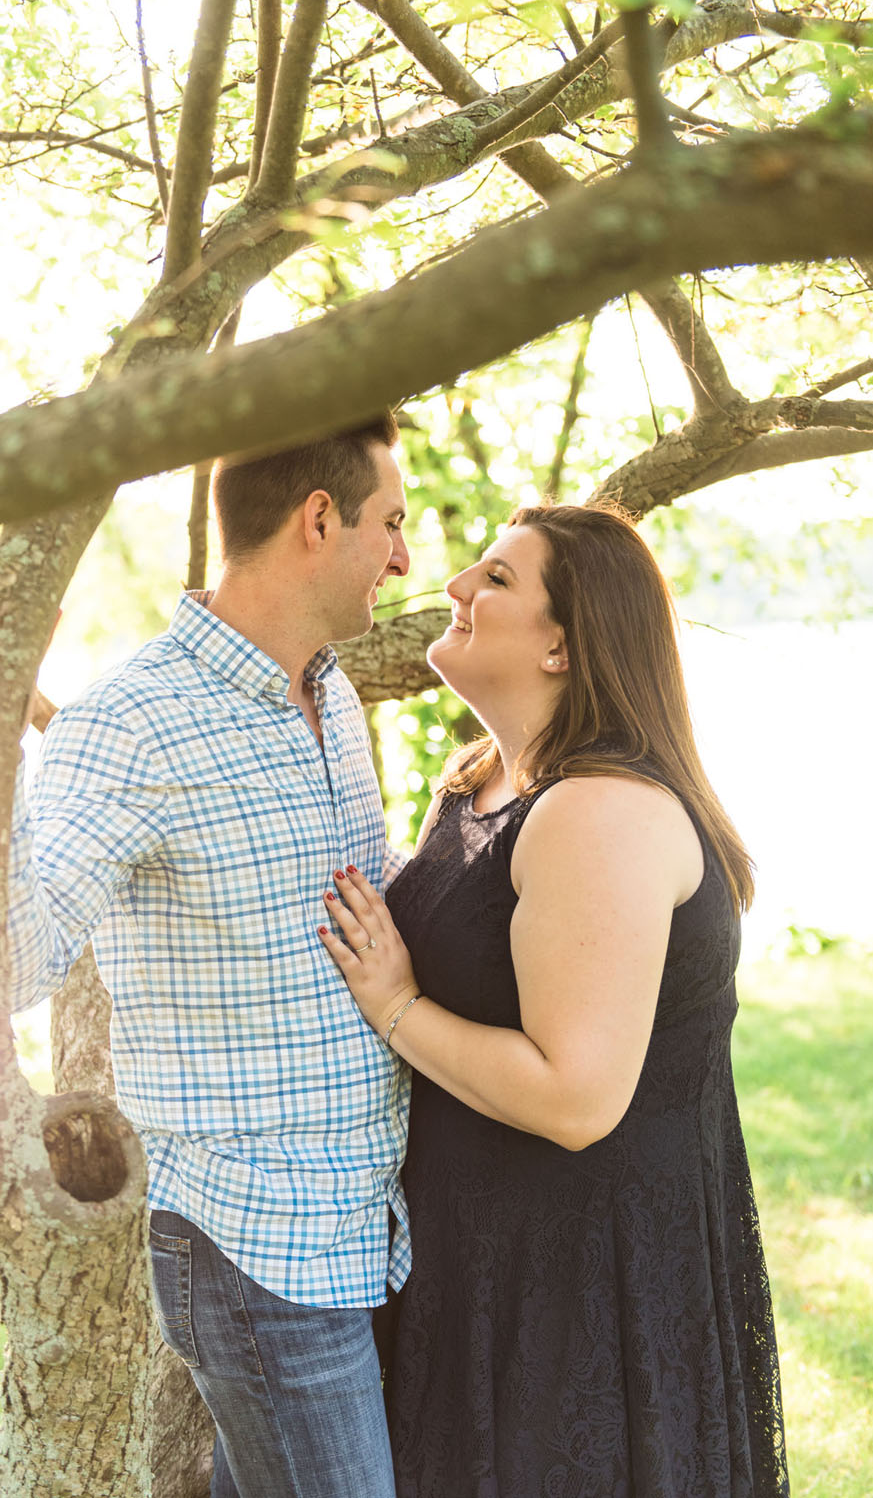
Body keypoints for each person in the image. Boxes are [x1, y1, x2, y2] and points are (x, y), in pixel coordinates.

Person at [0, 415, 414, 1498]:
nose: (405, 558)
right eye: (391, 524)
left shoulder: (325, 690)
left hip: (360, 1224)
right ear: (317, 522)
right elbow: (14, 967)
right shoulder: (132, 725)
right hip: (256, 1242)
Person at [317, 502, 789, 1498]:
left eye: (493, 579)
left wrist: (395, 1006)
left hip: (577, 1303)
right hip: (481, 1267)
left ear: (560, 649)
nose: (450, 587)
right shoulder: (482, 781)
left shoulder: (599, 814)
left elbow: (574, 1099)